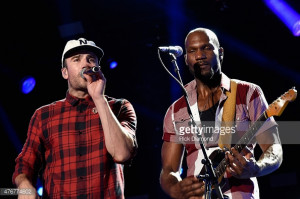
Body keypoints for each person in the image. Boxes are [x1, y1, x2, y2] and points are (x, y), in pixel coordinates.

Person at [160, 28, 283, 198]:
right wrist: (174, 187)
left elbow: (274, 147)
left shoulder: (247, 93)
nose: (200, 55)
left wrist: (257, 167)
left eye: (206, 48)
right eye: (192, 51)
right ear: (187, 58)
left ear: (220, 52)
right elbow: (169, 170)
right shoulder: (176, 109)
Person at [12, 38, 138, 199]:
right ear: (65, 72)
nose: (85, 64)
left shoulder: (120, 106)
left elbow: (122, 154)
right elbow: (26, 163)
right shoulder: (43, 115)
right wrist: (24, 185)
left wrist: (99, 98)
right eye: (76, 59)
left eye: (91, 59)